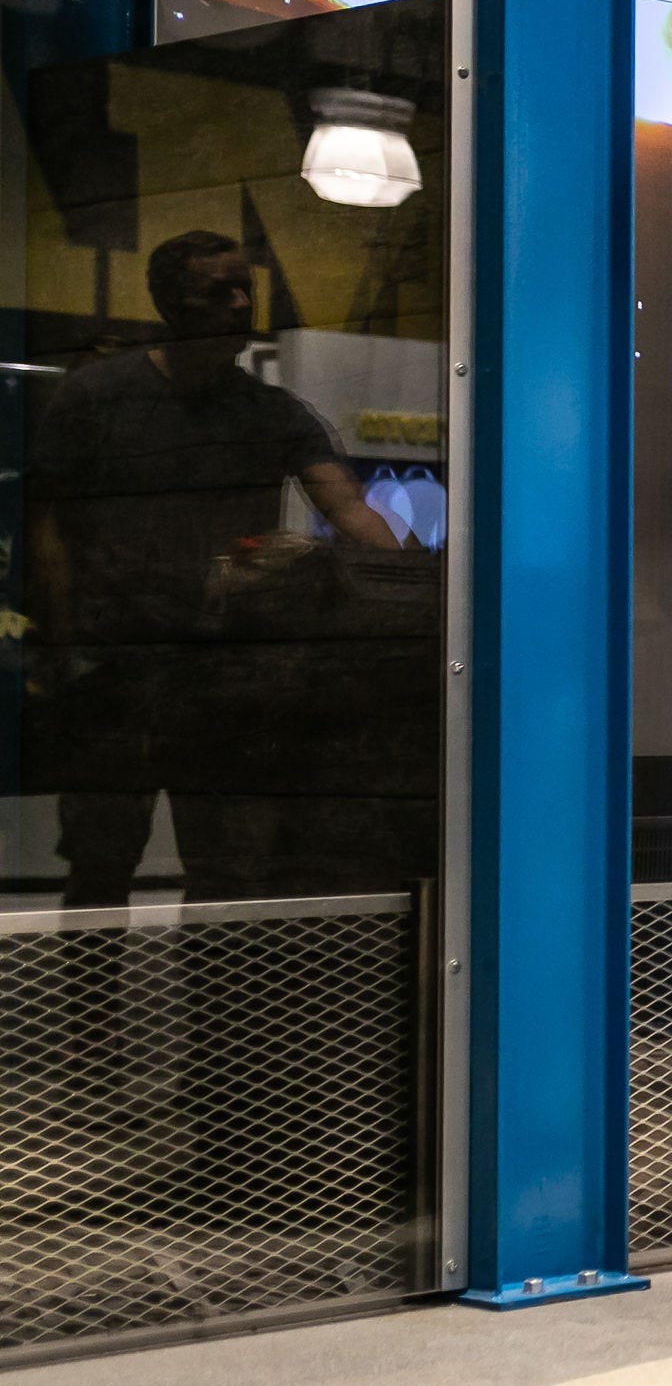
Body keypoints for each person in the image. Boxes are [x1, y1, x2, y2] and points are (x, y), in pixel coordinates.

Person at [26, 229, 400, 908]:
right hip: (116, 666)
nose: (238, 305)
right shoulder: (98, 397)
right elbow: (46, 521)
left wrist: (412, 588)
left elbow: (346, 504)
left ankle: (223, 1020)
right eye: (216, 292)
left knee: (226, 876)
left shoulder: (269, 411)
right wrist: (59, 638)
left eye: (243, 291)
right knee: (101, 866)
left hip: (224, 676)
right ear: (171, 303)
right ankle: (87, 1022)